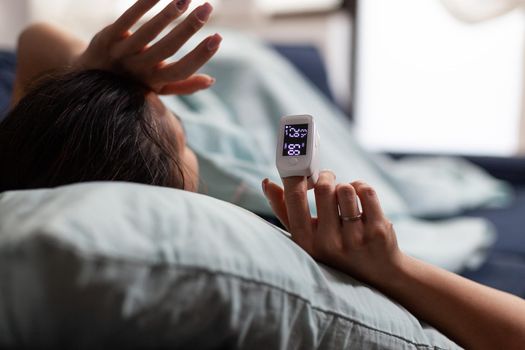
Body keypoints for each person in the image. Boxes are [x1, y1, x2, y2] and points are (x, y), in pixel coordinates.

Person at [0, 1, 524, 349]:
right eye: (183, 135)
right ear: (175, 190)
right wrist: (395, 269)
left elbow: (36, 38)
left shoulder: (31, 160)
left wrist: (89, 66)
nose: (195, 137)